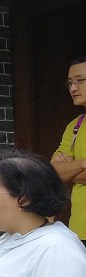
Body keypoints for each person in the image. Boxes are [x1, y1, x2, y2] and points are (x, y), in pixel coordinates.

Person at [50, 56, 86, 246]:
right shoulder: (75, 126)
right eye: (70, 82)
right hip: (79, 230)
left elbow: (63, 172)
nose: (73, 88)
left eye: (80, 81)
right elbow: (53, 172)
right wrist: (82, 163)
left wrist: (70, 169)